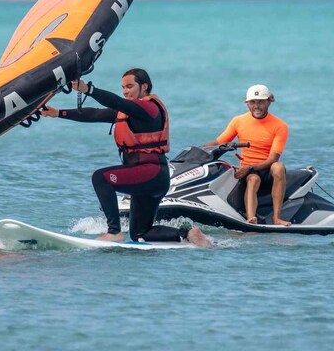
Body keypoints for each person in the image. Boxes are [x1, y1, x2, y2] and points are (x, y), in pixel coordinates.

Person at [43, 68, 212, 247]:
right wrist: (58, 113)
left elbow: (116, 102)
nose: (125, 91)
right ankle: (188, 234)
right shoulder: (130, 111)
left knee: (101, 178)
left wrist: (88, 90)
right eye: (123, 87)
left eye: (130, 86)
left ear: (144, 86)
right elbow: (95, 114)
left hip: (150, 172)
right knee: (141, 233)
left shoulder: (149, 108)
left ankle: (114, 231)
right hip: (153, 177)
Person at [205, 84, 291, 226]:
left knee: (278, 167)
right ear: (247, 103)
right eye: (252, 102)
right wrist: (196, 149)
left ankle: (277, 218)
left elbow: (273, 159)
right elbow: (218, 142)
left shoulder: (280, 126)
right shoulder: (238, 121)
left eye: (261, 102)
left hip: (266, 168)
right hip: (249, 171)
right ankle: (251, 219)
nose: (256, 106)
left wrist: (250, 167)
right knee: (253, 180)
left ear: (269, 101)